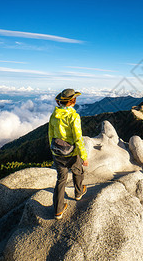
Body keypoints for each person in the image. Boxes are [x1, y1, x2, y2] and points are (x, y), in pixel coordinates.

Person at [48, 88, 88, 220]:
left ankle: (58, 210)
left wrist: (53, 150)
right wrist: (83, 156)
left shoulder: (54, 115)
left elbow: (51, 135)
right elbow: (78, 138)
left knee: (61, 179)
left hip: (57, 152)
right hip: (71, 153)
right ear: (72, 101)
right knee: (78, 171)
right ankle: (78, 193)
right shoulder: (74, 116)